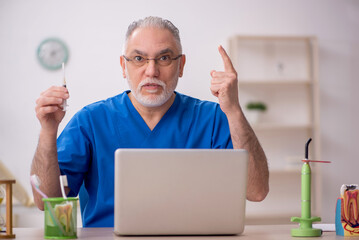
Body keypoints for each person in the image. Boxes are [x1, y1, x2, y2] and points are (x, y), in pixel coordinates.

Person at [31, 16, 269, 227]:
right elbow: (45, 201)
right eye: (139, 58)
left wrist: (234, 110)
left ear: (181, 65)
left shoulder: (214, 119)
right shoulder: (90, 122)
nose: (151, 70)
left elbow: (256, 191)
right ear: (124, 66)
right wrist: (48, 131)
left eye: (164, 57)